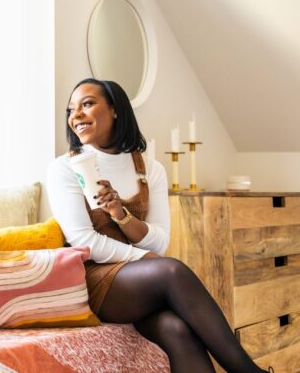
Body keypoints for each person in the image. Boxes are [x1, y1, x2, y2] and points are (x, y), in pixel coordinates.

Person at [45, 78, 271, 373]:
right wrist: (147, 259)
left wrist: (119, 213)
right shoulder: (64, 168)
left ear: (115, 110)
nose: (76, 115)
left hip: (139, 281)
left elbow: (159, 241)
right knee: (171, 270)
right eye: (71, 110)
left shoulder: (149, 169)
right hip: (90, 278)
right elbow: (83, 241)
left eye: (87, 104)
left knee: (177, 330)